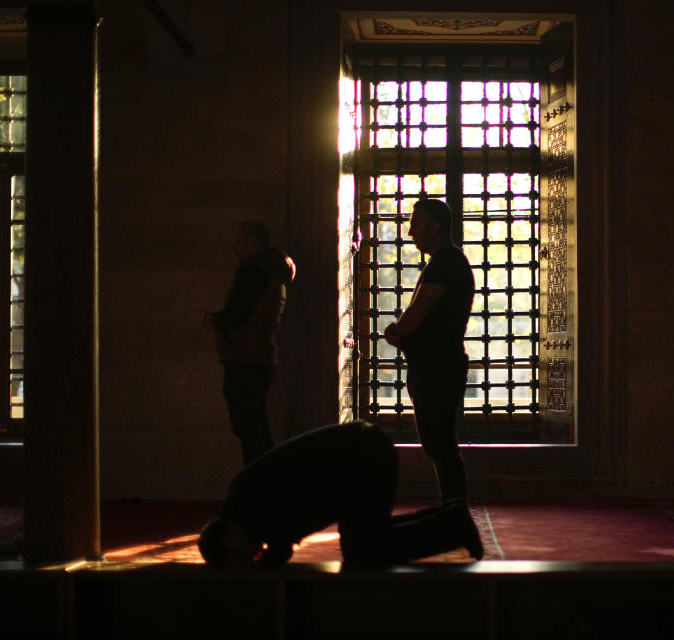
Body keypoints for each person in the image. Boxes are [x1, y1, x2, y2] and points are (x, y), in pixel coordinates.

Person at [198, 420, 484, 566]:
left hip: (361, 458)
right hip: (360, 454)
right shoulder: (242, 502)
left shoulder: (248, 508)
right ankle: (449, 518)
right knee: (368, 538)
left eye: (242, 559)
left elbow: (280, 549)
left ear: (231, 540)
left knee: (363, 551)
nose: (252, 558)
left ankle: (453, 526)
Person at [384, 199, 475, 504]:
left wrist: (397, 331)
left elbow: (420, 310)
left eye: (415, 225)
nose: (410, 233)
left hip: (437, 369)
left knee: (440, 445)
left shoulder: (445, 264)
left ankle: (454, 510)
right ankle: (453, 509)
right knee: (440, 444)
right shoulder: (448, 262)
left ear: (434, 227)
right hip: (439, 366)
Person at [206, 220, 296, 465]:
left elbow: (239, 311)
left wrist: (218, 321)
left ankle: (258, 483)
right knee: (255, 424)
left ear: (253, 242)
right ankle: (263, 482)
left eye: (240, 240)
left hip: (244, 356)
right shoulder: (273, 271)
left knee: (248, 426)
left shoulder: (255, 272)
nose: (236, 247)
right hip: (259, 355)